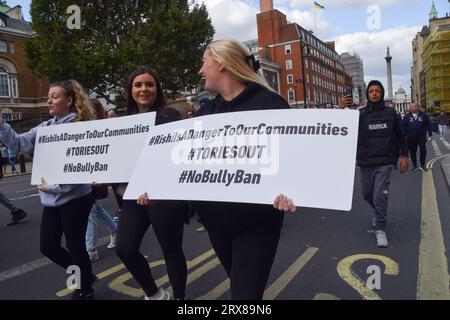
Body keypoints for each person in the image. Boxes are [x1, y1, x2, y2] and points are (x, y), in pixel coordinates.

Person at [138, 39, 297, 300]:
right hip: (216, 224)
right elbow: (188, 168)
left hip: (255, 224)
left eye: (204, 62)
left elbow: (292, 159)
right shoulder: (205, 113)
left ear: (221, 63)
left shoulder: (270, 104)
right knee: (241, 287)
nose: (201, 70)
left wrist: (291, 190)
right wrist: (160, 191)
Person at [0, 80, 97, 300]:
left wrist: (53, 187)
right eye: (48, 96)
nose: (49, 100)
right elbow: (18, 144)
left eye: (54, 96)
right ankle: (85, 276)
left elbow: (79, 169)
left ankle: (83, 289)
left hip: (76, 198)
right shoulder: (45, 128)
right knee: (48, 247)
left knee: (75, 246)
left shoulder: (80, 127)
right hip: (53, 200)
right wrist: (2, 125)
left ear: (69, 100)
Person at [114, 67, 189, 300]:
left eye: (149, 84)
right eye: (138, 85)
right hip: (133, 197)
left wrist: (158, 185)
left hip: (164, 197)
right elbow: (116, 162)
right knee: (124, 248)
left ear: (157, 89)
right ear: (130, 90)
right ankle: (155, 295)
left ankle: (179, 299)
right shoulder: (122, 123)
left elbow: (180, 158)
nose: (143, 89)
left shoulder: (170, 116)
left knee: (171, 250)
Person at [340, 80, 409, 248]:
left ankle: (380, 228)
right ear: (367, 94)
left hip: (385, 161)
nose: (375, 93)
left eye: (378, 90)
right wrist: (342, 107)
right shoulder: (360, 114)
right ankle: (379, 211)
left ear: (382, 93)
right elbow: (343, 126)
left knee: (379, 196)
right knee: (366, 193)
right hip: (365, 161)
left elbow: (400, 135)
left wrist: (405, 156)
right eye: (371, 91)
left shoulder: (391, 113)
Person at [84, 99, 117, 262]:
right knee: (95, 209)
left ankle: (91, 249)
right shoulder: (82, 127)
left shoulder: (102, 129)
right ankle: (115, 229)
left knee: (89, 211)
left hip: (95, 178)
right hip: (84, 176)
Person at [402, 103, 432, 172]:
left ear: (417, 107)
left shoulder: (423, 115)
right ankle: (414, 165)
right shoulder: (406, 116)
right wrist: (404, 135)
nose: (412, 108)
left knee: (423, 150)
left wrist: (430, 134)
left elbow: (428, 124)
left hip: (421, 136)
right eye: (411, 107)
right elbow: (403, 126)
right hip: (411, 137)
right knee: (412, 152)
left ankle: (422, 165)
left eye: (413, 106)